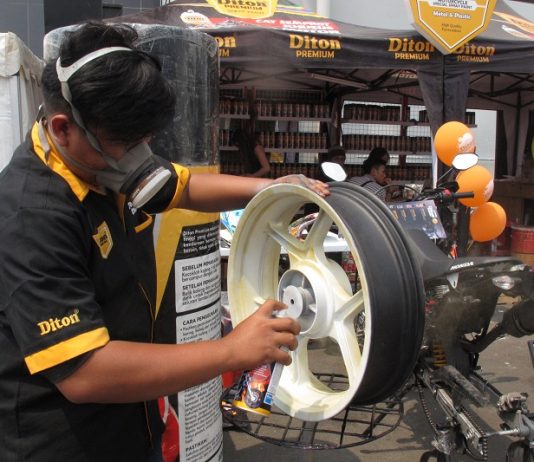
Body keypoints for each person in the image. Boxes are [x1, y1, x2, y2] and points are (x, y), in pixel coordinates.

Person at [0, 22, 329, 462]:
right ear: (63, 129)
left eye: (147, 141)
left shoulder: (101, 164)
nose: (142, 157)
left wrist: (272, 188)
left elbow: (184, 187)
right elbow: (84, 372)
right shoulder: (32, 217)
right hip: (66, 444)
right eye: (128, 143)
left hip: (133, 425)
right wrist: (231, 350)